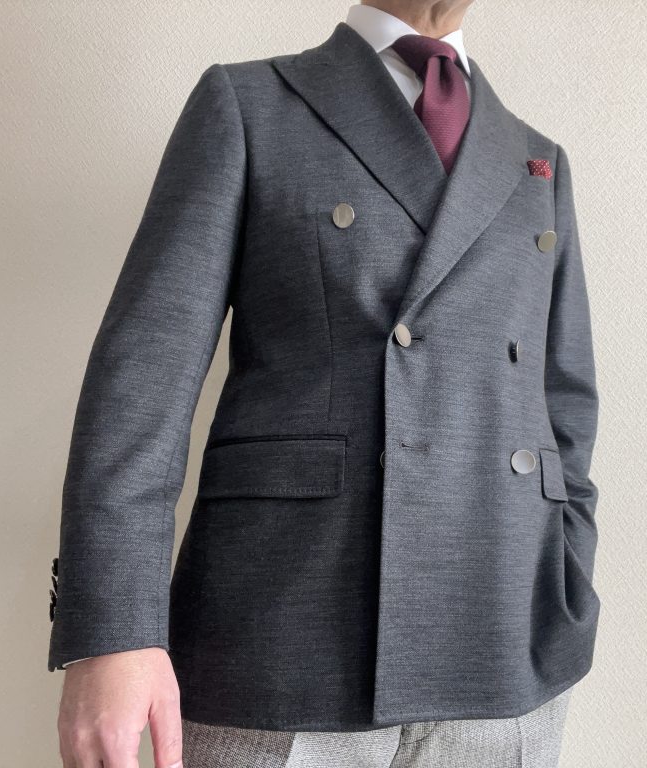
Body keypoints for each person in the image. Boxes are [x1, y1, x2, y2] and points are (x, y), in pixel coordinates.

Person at [49, 1, 602, 766]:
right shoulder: (250, 104)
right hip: (286, 638)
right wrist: (114, 629)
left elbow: (565, 404)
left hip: (508, 643)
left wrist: (568, 579)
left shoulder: (537, 159)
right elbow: (145, 375)